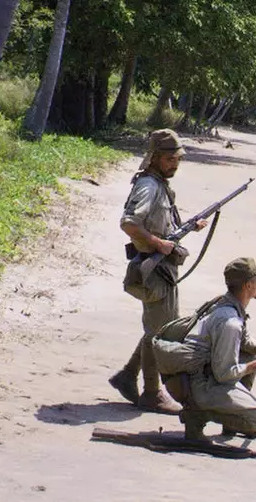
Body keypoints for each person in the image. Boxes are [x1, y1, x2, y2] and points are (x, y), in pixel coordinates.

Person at [109, 128, 204, 414]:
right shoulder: (149, 186)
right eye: (169, 159)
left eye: (177, 159)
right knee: (159, 333)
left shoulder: (159, 184)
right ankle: (151, 393)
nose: (174, 164)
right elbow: (128, 224)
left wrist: (184, 229)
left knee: (160, 327)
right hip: (151, 270)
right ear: (155, 158)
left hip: (162, 269)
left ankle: (127, 376)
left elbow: (159, 226)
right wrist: (157, 243)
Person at [177, 257, 256, 439]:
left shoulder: (226, 304)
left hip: (198, 374)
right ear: (249, 285)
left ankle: (230, 424)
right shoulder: (230, 322)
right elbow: (224, 373)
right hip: (200, 385)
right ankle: (196, 415)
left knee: (248, 356)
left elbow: (244, 340)